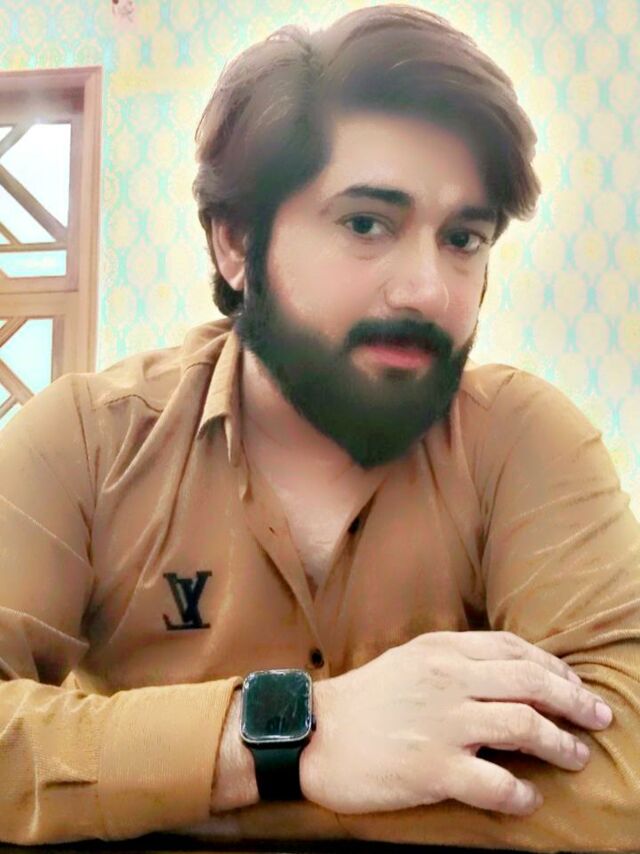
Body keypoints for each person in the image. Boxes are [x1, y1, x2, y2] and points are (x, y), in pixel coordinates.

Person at [0, 4, 638, 848]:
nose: (428, 290)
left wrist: (192, 786)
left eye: (463, 238)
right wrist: (298, 738)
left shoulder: (524, 440)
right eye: (366, 224)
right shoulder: (88, 442)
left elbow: (622, 770)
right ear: (236, 243)